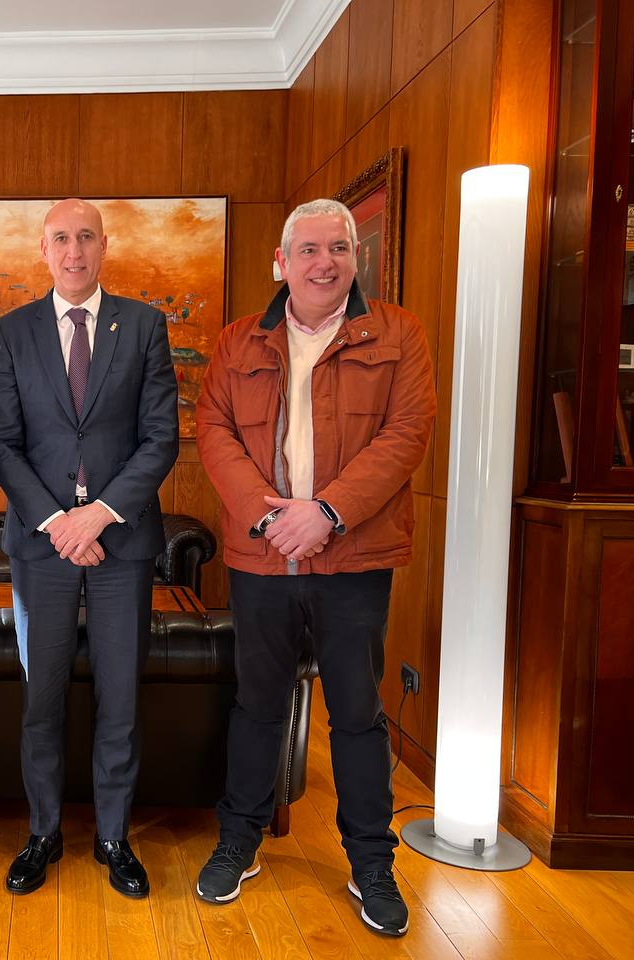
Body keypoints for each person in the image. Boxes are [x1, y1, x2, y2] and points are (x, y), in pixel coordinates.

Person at [195, 199, 436, 936]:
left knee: (357, 718)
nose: (323, 262)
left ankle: (371, 864)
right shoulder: (239, 342)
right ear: (282, 261)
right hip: (261, 558)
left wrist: (326, 511)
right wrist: (271, 517)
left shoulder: (399, 334)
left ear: (355, 258)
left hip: (354, 557)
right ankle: (240, 839)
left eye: (338, 248)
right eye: (308, 249)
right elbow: (213, 432)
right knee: (256, 703)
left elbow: (407, 434)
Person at [0, 198, 178, 899]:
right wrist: (57, 523)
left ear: (105, 246)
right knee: (43, 700)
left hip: (122, 546)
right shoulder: (11, 332)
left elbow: (161, 439)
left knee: (120, 699)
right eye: (61, 238)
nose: (75, 251)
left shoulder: (146, 326)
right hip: (42, 551)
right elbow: (1, 443)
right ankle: (42, 833)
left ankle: (112, 836)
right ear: (43, 249)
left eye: (86, 237)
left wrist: (96, 515)